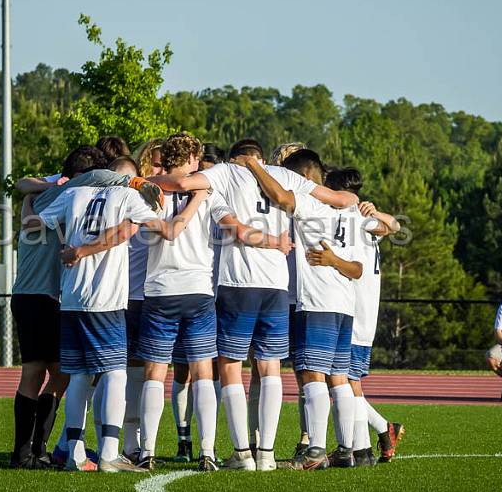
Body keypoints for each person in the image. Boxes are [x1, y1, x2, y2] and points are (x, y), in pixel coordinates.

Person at [148, 139, 357, 471]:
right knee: (269, 366)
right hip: (276, 284)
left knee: (231, 366)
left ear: (236, 157)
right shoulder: (282, 175)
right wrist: (358, 202)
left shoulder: (227, 172)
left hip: (239, 282)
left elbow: (183, 183)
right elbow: (337, 198)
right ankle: (268, 455)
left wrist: (140, 181)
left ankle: (242, 453)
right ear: (261, 156)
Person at [33, 171, 203, 472]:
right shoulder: (127, 195)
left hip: (71, 295)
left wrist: (28, 198)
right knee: (114, 372)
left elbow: (33, 223)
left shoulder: (74, 194)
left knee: (80, 375)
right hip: (105, 298)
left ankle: (75, 453)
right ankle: (110, 452)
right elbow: (157, 230)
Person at [9, 146, 156, 468]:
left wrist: (34, 194)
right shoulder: (73, 193)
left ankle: (38, 450)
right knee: (53, 373)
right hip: (44, 295)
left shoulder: (54, 194)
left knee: (60, 374)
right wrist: (140, 185)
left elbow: (22, 188)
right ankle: (33, 451)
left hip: (39, 295)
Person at [245, 151, 363, 470]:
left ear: (305, 179)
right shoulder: (350, 211)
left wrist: (255, 166)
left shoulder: (310, 203)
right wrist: (336, 261)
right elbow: (357, 269)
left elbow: (281, 195)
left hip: (316, 300)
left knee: (312, 374)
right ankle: (346, 449)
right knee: (338, 378)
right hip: (344, 304)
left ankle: (314, 452)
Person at [135, 133, 242, 471]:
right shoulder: (208, 192)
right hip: (198, 289)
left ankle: (146, 451)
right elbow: (231, 226)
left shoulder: (149, 189)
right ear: (195, 159)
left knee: (155, 373)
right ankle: (207, 452)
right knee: (203, 372)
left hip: (160, 288)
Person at [328, 168, 404, 465]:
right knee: (346, 383)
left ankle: (368, 442)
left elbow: (394, 226)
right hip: (360, 313)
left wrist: (375, 211)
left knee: (347, 384)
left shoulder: (354, 220)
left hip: (355, 313)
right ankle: (370, 441)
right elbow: (393, 226)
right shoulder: (363, 221)